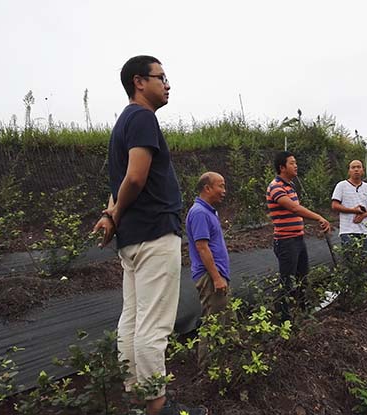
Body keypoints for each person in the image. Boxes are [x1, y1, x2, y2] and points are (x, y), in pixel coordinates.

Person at [92, 55, 207, 415]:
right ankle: (157, 404)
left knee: (133, 319)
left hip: (133, 240)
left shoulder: (122, 124)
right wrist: (117, 211)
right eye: (161, 77)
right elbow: (137, 177)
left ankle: (135, 396)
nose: (167, 84)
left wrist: (112, 215)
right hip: (156, 233)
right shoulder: (143, 118)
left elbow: (121, 181)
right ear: (139, 82)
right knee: (154, 325)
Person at [266, 151, 331, 321]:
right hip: (286, 241)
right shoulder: (275, 187)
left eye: (296, 163)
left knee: (303, 277)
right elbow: (294, 208)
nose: (296, 166)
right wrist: (318, 217)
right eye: (292, 163)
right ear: (282, 167)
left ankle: (303, 311)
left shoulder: (290, 185)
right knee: (287, 281)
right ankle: (284, 320)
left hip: (298, 239)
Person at [185, 172, 230, 369]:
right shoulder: (199, 213)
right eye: (220, 186)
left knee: (228, 318)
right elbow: (202, 247)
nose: (224, 191)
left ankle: (231, 360)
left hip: (218, 275)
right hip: (211, 277)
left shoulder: (209, 212)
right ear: (207, 188)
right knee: (213, 323)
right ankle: (207, 370)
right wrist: (217, 278)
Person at [331, 160, 367, 254]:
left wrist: (363, 215)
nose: (356, 170)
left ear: (363, 170)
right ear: (349, 171)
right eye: (353, 167)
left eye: (359, 167)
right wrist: (353, 210)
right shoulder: (341, 186)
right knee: (350, 261)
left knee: (366, 260)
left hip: (365, 231)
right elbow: (335, 205)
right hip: (347, 231)